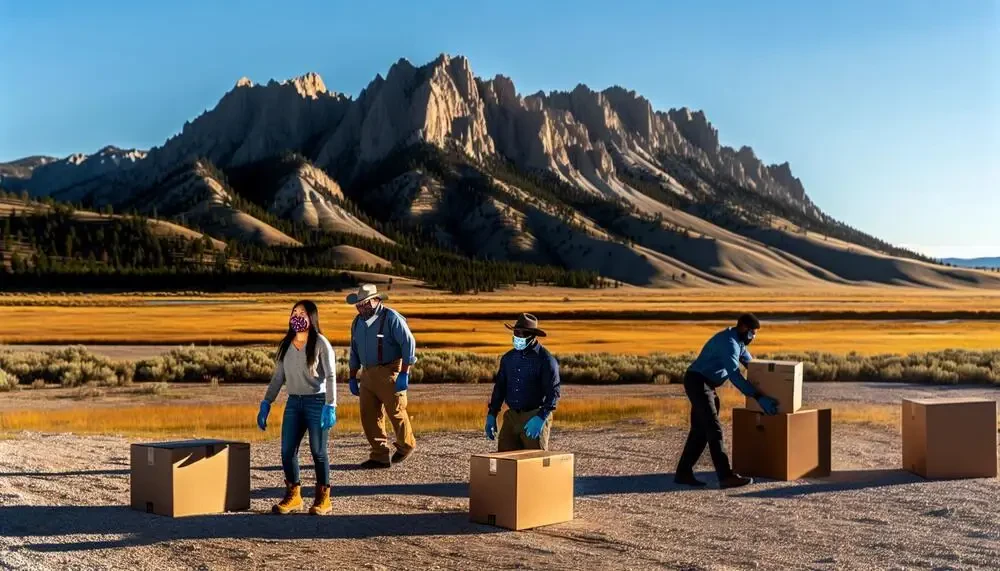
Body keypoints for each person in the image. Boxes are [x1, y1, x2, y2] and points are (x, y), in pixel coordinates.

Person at [674, 313, 779, 489]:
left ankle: (683, 473)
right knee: (713, 428)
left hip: (706, 385)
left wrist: (771, 379)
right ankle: (725, 476)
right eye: (752, 332)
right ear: (743, 327)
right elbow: (735, 376)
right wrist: (759, 397)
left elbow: (751, 364)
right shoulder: (729, 343)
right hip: (698, 382)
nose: (753, 336)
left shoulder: (739, 343)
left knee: (700, 431)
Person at [256, 300, 338, 515]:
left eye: (302, 312)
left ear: (312, 318)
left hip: (317, 402)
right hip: (294, 403)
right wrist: (266, 402)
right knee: (287, 451)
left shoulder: (320, 343)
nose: (297, 315)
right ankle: (294, 496)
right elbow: (278, 378)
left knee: (318, 451)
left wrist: (331, 404)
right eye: (294, 312)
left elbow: (330, 376)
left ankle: (323, 498)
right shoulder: (286, 345)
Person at [345, 284, 417, 469]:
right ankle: (379, 455)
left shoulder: (391, 318)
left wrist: (404, 373)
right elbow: (354, 350)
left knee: (396, 411)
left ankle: (406, 445)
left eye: (364, 303)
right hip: (367, 373)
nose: (361, 308)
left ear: (376, 300)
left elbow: (408, 343)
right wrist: (353, 376)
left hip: (390, 370)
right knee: (369, 415)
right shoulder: (357, 323)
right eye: (358, 305)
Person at [485, 313, 561, 451]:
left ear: (532, 336)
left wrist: (541, 417)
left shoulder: (546, 360)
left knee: (533, 462)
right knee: (506, 461)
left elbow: (553, 393)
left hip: (534, 415)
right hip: (512, 415)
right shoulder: (508, 359)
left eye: (522, 334)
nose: (518, 337)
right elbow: (500, 388)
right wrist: (492, 414)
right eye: (516, 332)